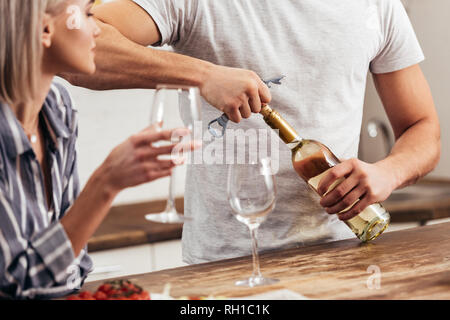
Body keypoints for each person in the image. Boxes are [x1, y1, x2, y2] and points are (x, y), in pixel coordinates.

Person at [64, 0, 441, 264]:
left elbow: (422, 128)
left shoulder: (377, 5)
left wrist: (387, 173)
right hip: (224, 267)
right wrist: (203, 74)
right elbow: (75, 48)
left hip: (343, 257)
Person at [0, 0, 197, 299]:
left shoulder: (57, 108)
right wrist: (107, 182)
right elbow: (15, 286)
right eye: (89, 14)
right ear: (44, 28)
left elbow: (72, 267)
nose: (97, 30)